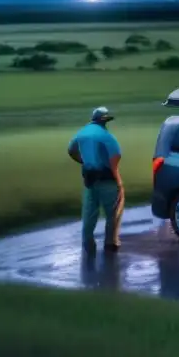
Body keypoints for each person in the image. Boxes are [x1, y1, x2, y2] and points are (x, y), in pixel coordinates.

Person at [67, 106, 124, 254]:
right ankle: (110, 243)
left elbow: (71, 150)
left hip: (89, 179)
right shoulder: (106, 136)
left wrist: (83, 161)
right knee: (113, 212)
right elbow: (116, 156)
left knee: (89, 213)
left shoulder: (82, 133)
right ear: (104, 121)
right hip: (106, 179)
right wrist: (117, 177)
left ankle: (88, 245)